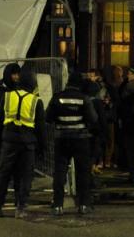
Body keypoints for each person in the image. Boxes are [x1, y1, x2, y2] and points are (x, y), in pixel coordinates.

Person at [0, 65, 45, 219]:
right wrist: (42, 147)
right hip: (27, 143)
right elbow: (41, 128)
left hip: (9, 140)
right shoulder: (36, 101)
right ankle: (20, 208)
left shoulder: (7, 97)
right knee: (25, 176)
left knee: (3, 174)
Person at [46, 72, 99, 215]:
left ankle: (57, 205)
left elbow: (48, 117)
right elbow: (93, 119)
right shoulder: (84, 99)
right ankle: (83, 204)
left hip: (61, 138)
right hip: (81, 139)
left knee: (60, 172)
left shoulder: (57, 98)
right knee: (83, 172)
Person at [0, 63, 22, 164]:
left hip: (17, 132)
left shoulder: (19, 89)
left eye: (18, 74)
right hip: (2, 131)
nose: (16, 77)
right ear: (8, 74)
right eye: (14, 74)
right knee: (2, 161)